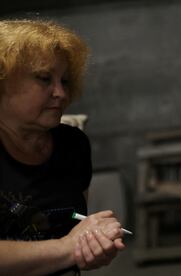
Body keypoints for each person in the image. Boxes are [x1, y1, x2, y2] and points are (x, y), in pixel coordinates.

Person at [0, 19, 125, 275]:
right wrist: (68, 248)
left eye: (65, 81)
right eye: (44, 79)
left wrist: (92, 247)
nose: (61, 93)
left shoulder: (73, 144)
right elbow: (68, 245)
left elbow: (74, 232)